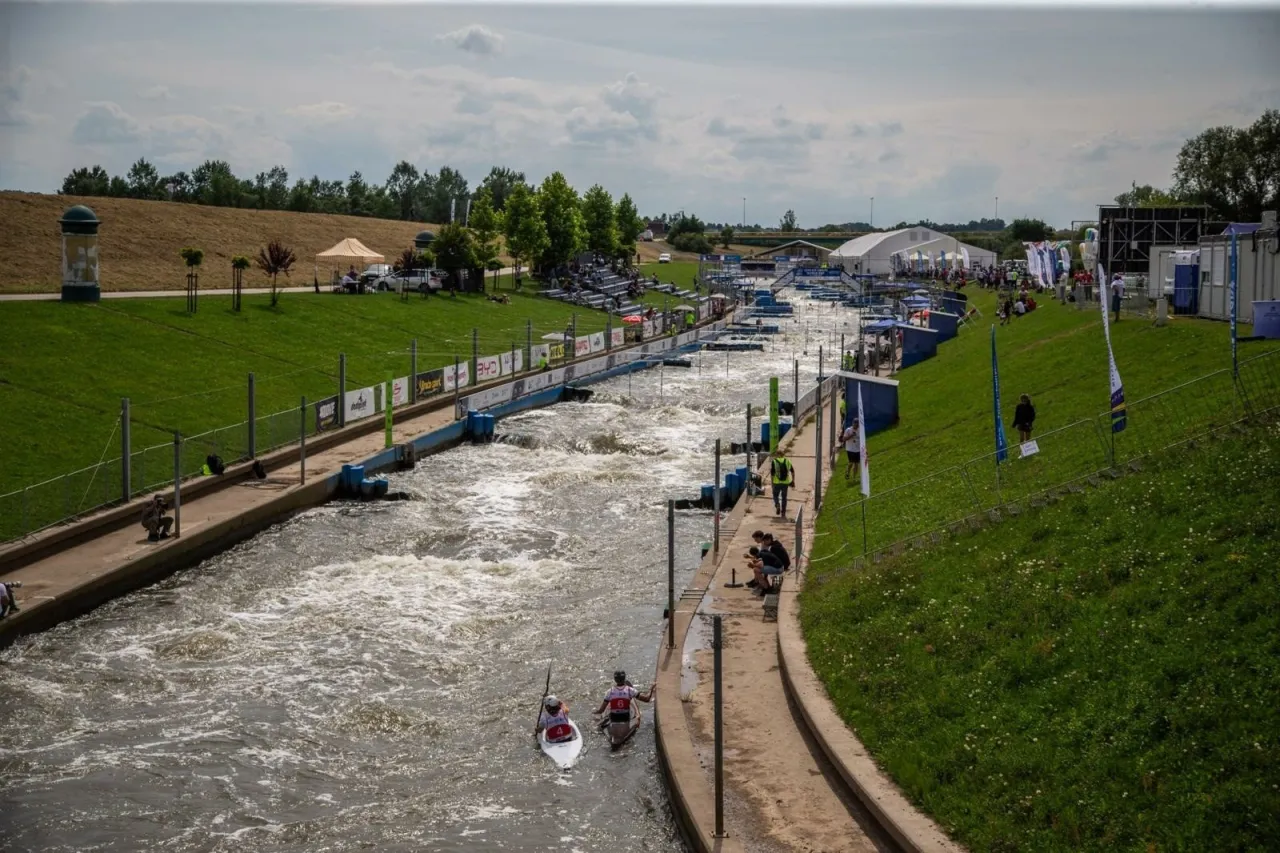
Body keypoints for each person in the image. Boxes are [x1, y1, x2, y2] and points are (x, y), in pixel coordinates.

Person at [770, 450, 794, 519]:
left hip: (776, 483)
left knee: (775, 495)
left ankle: (777, 504)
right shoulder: (787, 461)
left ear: (777, 455)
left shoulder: (774, 461)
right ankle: (783, 513)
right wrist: (793, 480)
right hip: (785, 483)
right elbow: (792, 471)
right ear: (783, 455)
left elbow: (772, 474)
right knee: (784, 498)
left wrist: (772, 484)